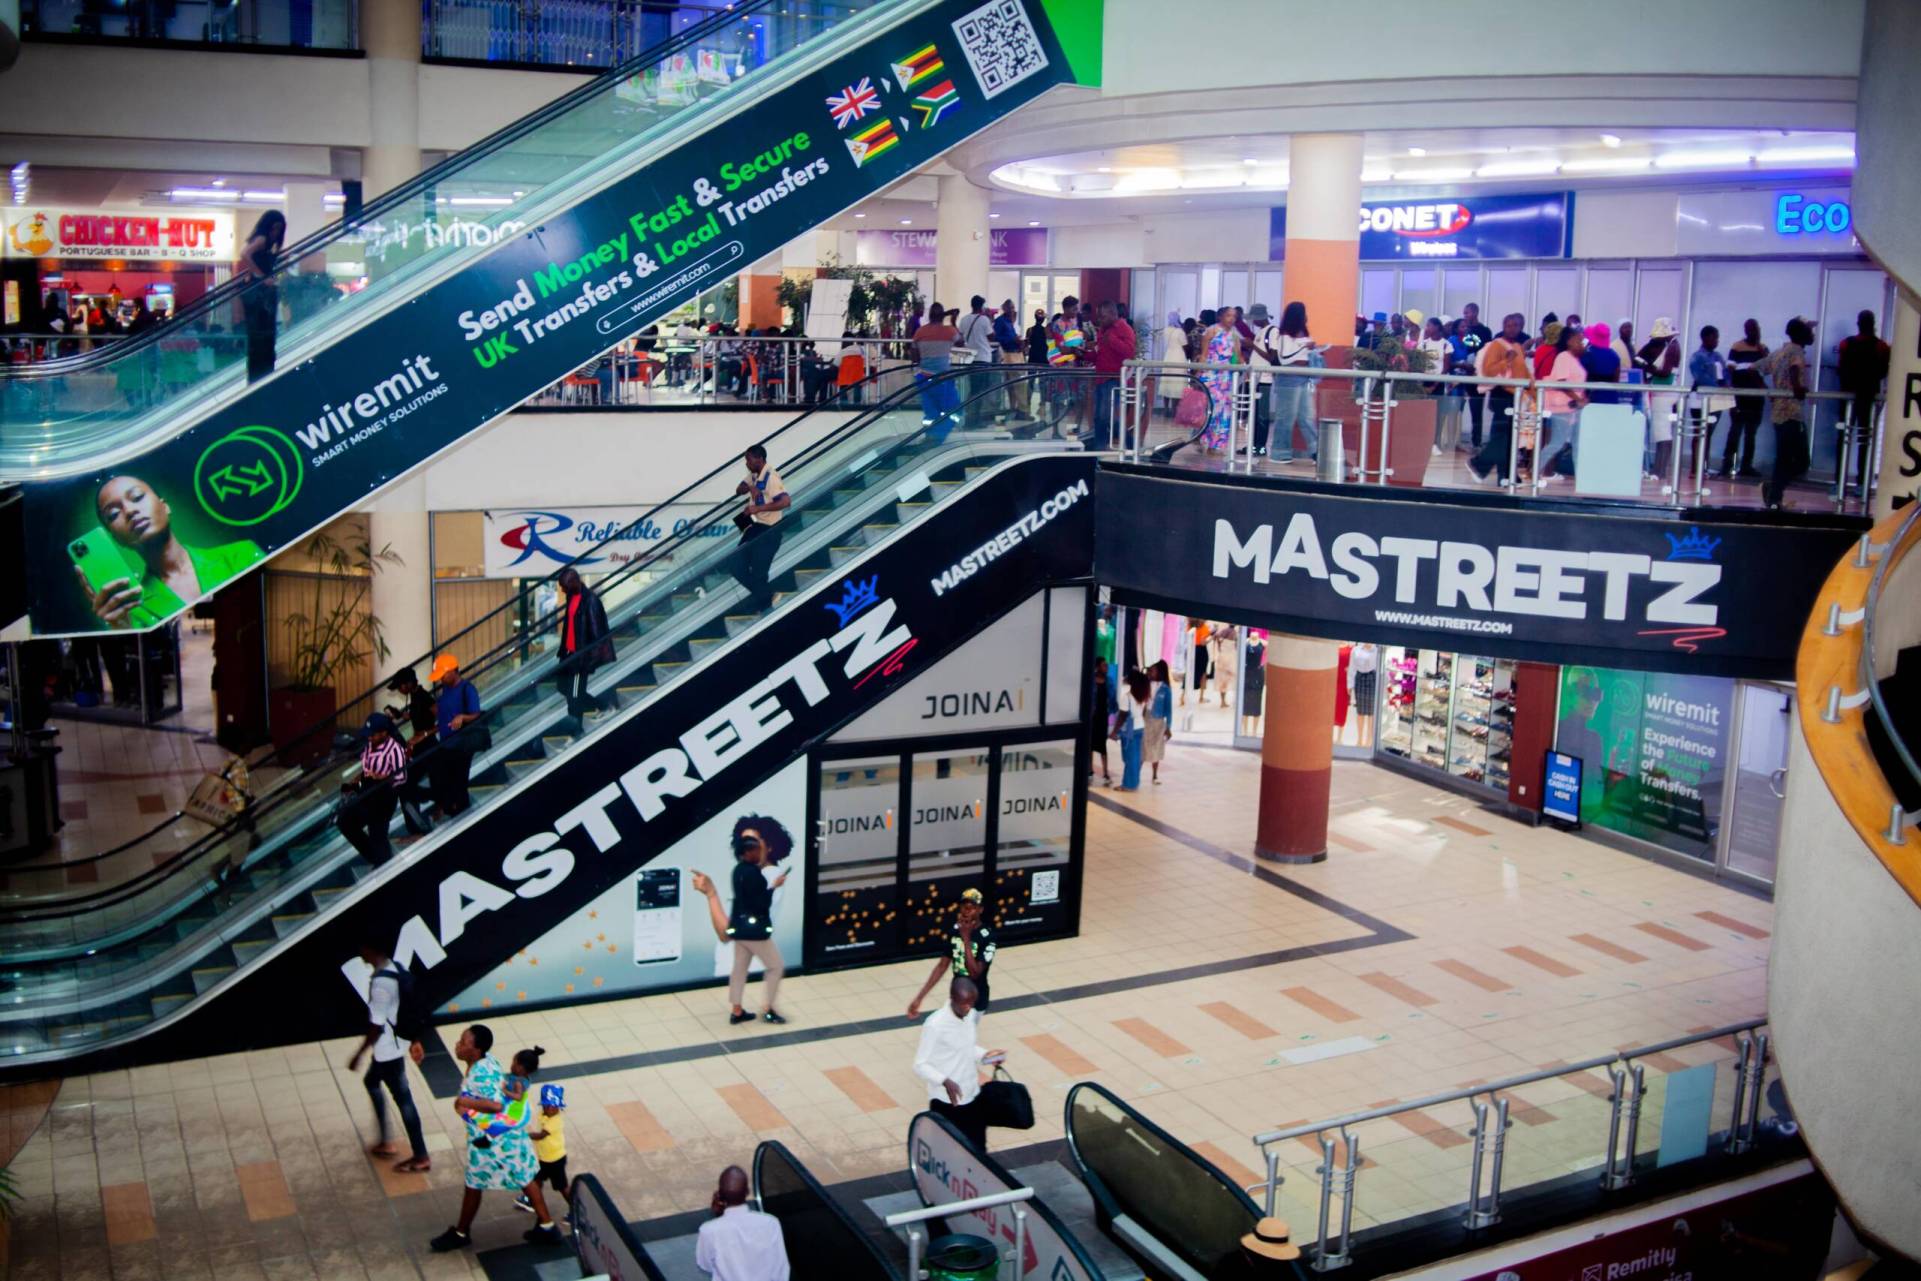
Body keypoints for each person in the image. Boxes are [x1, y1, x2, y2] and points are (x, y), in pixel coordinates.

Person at [430, 1025, 561, 1252]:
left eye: (463, 1042)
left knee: (474, 1182)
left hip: (494, 1141)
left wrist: (463, 1102)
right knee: (523, 1177)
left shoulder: (481, 1073)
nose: (457, 1045)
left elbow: (496, 1105)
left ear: (476, 1049)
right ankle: (547, 1226)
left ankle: (461, 1233)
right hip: (508, 1137)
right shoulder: (487, 1061)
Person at [76, 475, 263, 629]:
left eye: (137, 497)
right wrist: (121, 629)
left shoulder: (241, 555)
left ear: (165, 506)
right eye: (113, 514)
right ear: (116, 538)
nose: (130, 511)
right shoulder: (131, 611)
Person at [691, 818, 789, 1026]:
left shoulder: (738, 871)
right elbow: (760, 904)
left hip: (740, 930)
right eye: (753, 847)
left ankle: (737, 1010)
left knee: (739, 970)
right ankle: (769, 1009)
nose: (757, 851)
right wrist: (774, 887)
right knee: (775, 966)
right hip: (755, 933)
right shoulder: (759, 875)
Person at [347, 941, 431, 1175]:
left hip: (387, 1050)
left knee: (403, 1099)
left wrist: (358, 1054)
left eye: (363, 948)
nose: (360, 952)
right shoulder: (396, 968)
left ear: (371, 949)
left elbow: (376, 1026)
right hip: (397, 1042)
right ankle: (386, 1141)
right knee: (372, 1082)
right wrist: (414, 1039)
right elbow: (408, 1008)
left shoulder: (381, 984)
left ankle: (420, 1155)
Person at [913, 976, 1005, 1152]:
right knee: (947, 1152)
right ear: (953, 998)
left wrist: (985, 1056)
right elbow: (920, 1064)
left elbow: (966, 1048)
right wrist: (945, 1081)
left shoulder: (969, 1015)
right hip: (946, 1102)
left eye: (972, 1003)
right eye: (965, 1003)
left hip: (972, 1095)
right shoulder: (935, 1025)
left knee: (978, 1151)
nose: (969, 1007)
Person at [907, 887, 998, 1017]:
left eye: (972, 907)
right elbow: (942, 966)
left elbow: (975, 973)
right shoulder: (955, 931)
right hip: (957, 996)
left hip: (975, 1000)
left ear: (980, 910)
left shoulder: (987, 936)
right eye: (964, 907)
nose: (967, 911)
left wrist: (966, 938)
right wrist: (919, 998)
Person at [338, 713, 408, 866]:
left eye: (373, 734)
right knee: (344, 821)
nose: (369, 737)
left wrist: (380, 777)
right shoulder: (370, 745)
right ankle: (374, 857)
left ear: (384, 733)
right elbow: (368, 768)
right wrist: (360, 778)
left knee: (378, 834)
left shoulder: (394, 749)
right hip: (368, 792)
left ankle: (384, 866)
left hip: (385, 796)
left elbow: (401, 777)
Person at [696, 1165, 789, 1281]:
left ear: (719, 1194)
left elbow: (705, 1265)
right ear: (747, 1192)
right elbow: (781, 1268)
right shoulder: (771, 1224)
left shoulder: (708, 1231)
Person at [1468, 314, 1530, 484]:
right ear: (1503, 326)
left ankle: (1506, 474)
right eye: (1509, 325)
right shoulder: (1497, 345)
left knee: (1508, 437)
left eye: (1516, 325)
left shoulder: (1518, 346)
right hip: (1501, 394)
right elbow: (1489, 371)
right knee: (1503, 437)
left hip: (1515, 395)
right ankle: (1480, 464)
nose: (1512, 328)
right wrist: (1506, 361)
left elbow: (1524, 373)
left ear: (1521, 327)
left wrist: (1534, 392)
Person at [1761, 316, 1815, 510]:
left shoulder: (1778, 353)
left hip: (1778, 413)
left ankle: (1775, 493)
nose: (1812, 334)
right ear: (1801, 333)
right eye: (1809, 330)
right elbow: (1794, 368)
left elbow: (1754, 368)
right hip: (1791, 413)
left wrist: (1769, 391)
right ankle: (1775, 490)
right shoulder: (1796, 351)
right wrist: (1797, 387)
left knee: (1784, 458)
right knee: (1801, 461)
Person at [554, 567, 614, 733]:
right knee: (562, 687)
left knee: (574, 696)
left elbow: (597, 633)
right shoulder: (571, 597)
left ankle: (576, 732)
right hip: (568, 654)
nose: (562, 590)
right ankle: (603, 706)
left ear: (573, 583)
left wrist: (586, 659)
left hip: (580, 657)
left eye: (564, 586)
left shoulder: (591, 601)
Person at [730, 444, 789, 612]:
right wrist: (750, 487)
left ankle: (765, 603)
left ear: (760, 459)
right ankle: (766, 596)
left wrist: (757, 509)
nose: (746, 463)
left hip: (769, 531)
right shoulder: (755, 475)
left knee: (758, 573)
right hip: (755, 527)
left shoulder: (771, 477)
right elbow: (738, 490)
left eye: (749, 460)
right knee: (734, 563)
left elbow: (786, 501)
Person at [1837, 308, 1890, 490]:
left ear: (1858, 324)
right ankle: (1861, 483)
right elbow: (1883, 371)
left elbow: (1841, 368)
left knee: (1843, 438)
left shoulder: (1846, 343)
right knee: (1865, 440)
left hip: (1848, 396)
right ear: (1873, 324)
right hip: (1868, 396)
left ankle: (1839, 482)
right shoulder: (1881, 346)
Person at [1263, 302, 1319, 464]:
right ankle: (1279, 452)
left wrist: (1311, 349)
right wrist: (1304, 348)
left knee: (1307, 417)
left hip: (1303, 378)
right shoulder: (1284, 335)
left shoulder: (1303, 333)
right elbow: (1285, 358)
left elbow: (1302, 357)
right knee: (1285, 417)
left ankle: (1316, 451)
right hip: (1288, 380)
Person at [429, 653, 483, 818]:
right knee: (442, 779)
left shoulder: (467, 689)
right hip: (446, 743)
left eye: (443, 675)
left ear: (453, 671)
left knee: (459, 784)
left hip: (461, 745)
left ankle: (462, 816)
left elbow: (476, 714)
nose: (441, 679)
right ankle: (448, 809)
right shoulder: (446, 689)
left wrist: (462, 717)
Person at [237, 209, 285, 382]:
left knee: (260, 336)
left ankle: (259, 372)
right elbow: (245, 254)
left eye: (279, 228)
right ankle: (262, 372)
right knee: (262, 334)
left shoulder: (266, 241)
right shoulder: (262, 239)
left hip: (258, 290)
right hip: (259, 292)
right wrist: (260, 276)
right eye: (275, 227)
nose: (276, 232)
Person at [1538, 324, 1588, 482]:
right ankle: (1535, 470)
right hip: (1563, 408)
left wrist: (1581, 399)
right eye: (1578, 341)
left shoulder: (1574, 359)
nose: (1581, 344)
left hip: (1574, 408)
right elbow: (1562, 382)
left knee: (1577, 443)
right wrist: (1578, 399)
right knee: (1557, 443)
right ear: (1569, 341)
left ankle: (1581, 476)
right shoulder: (1563, 357)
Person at [1724, 318, 1770, 479]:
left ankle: (1746, 466)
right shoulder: (1737, 347)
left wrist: (1761, 350)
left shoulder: (1763, 348)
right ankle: (1728, 465)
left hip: (1756, 396)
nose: (1753, 332)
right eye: (1750, 329)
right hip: (1740, 394)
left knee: (1751, 432)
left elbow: (1767, 369)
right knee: (1735, 430)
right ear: (1745, 330)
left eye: (1756, 329)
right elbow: (1730, 370)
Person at [1638, 318, 1683, 481]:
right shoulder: (1672, 345)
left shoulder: (1672, 347)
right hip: (1665, 392)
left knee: (1662, 432)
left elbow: (1664, 372)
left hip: (1664, 393)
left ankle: (1659, 470)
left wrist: (1647, 367)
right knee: (1662, 431)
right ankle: (1659, 469)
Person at [516, 1085, 569, 1212]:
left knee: (562, 1186)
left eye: (554, 1106)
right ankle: (532, 1199)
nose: (551, 1109)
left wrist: (524, 1135)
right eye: (547, 1105)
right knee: (536, 1179)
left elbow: (541, 1135)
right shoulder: (543, 1114)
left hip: (555, 1160)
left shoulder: (555, 1121)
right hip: (544, 1158)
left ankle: (575, 1207)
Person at [1091, 299, 1136, 447]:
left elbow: (1129, 352)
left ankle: (1128, 446)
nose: (1099, 320)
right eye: (1099, 317)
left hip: (1114, 379)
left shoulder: (1124, 328)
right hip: (1101, 378)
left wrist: (1112, 340)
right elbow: (1100, 353)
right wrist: (1084, 354)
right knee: (1100, 417)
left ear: (1112, 314)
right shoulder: (1103, 329)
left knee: (1106, 417)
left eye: (1102, 317)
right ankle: (1100, 450)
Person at [1688, 325, 1730, 484]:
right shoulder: (1697, 357)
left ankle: (1703, 467)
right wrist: (1717, 386)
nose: (1717, 341)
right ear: (1705, 338)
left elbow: (1725, 374)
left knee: (1708, 433)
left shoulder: (1718, 356)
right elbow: (1699, 377)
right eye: (1714, 337)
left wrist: (1726, 385)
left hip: (1716, 398)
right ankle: (1694, 468)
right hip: (1700, 398)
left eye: (1717, 337)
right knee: (1699, 432)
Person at [913, 305, 961, 437]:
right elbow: (961, 342)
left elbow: (914, 354)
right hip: (943, 378)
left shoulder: (920, 332)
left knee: (930, 410)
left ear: (929, 316)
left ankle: (930, 434)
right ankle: (943, 434)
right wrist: (953, 321)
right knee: (952, 408)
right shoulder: (949, 331)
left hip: (924, 377)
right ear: (942, 316)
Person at [1199, 306, 1242, 453]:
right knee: (1211, 408)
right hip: (1211, 374)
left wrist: (1245, 369)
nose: (1232, 319)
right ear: (1220, 316)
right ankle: (1204, 438)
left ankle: (1216, 445)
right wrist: (1199, 372)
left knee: (1224, 410)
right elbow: (1203, 354)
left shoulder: (1234, 334)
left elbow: (1238, 356)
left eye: (1234, 316)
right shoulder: (1211, 331)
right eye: (1228, 315)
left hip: (1225, 377)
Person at [957, 295, 996, 425]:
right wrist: (991, 319)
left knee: (974, 388)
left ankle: (971, 416)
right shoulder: (984, 320)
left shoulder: (964, 319)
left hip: (970, 358)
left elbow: (960, 338)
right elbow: (991, 337)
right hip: (983, 358)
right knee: (981, 390)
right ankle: (975, 418)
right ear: (982, 306)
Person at [1457, 303, 1493, 447]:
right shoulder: (1464, 330)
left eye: (1467, 313)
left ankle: (1476, 441)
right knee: (1458, 407)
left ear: (1475, 312)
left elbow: (1484, 349)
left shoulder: (1484, 331)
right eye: (1464, 313)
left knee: (1476, 409)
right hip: (1462, 373)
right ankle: (1455, 439)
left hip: (1477, 374)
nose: (1465, 316)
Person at [1114, 668, 1148, 791]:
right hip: (1140, 727)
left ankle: (1128, 785)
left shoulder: (1127, 697)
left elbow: (1122, 716)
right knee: (1135, 757)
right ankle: (1134, 782)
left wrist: (1114, 731)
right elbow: (1143, 712)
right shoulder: (1142, 695)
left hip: (1129, 730)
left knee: (1129, 758)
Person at [1144, 659, 1172, 783]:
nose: (1150, 673)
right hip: (1146, 718)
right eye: (1149, 671)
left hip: (1158, 720)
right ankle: (1136, 774)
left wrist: (1168, 727)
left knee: (1156, 747)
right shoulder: (1146, 684)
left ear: (1160, 672)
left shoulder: (1166, 689)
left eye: (1152, 671)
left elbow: (1168, 710)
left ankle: (1154, 775)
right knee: (1143, 746)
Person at [1089, 661, 1115, 786]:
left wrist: (1113, 711)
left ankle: (1105, 772)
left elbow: (1112, 698)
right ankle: (1089, 770)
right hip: (1092, 717)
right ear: (1097, 666)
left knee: (1102, 745)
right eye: (1104, 665)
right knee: (1090, 744)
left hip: (1103, 716)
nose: (1107, 667)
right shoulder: (1091, 680)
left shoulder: (1109, 681)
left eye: (1107, 665)